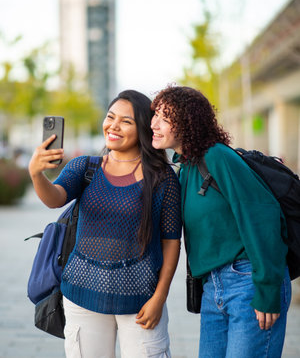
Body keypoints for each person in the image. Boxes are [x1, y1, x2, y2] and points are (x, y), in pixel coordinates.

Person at [28, 89, 182, 358]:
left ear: (143, 129)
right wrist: (37, 174)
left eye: (126, 121)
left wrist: (160, 297)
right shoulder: (85, 168)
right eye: (111, 117)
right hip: (82, 296)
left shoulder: (162, 178)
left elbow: (171, 241)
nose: (114, 126)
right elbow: (55, 199)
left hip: (140, 301)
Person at [150, 85, 291, 358]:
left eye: (165, 117)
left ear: (188, 121)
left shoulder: (217, 157)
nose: (154, 123)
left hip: (248, 282)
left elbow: (262, 218)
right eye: (155, 114)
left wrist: (268, 289)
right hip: (213, 289)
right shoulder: (186, 167)